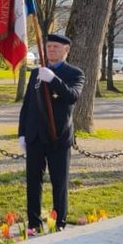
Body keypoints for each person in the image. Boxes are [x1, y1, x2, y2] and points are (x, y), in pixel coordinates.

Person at [18, 33, 84, 232]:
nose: (51, 50)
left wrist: (54, 80)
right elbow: (27, 105)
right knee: (33, 182)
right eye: (49, 47)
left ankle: (59, 222)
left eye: (56, 47)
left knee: (59, 182)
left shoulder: (75, 73)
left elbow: (72, 96)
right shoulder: (36, 73)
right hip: (35, 136)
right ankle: (33, 222)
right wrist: (22, 133)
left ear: (66, 50)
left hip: (58, 136)